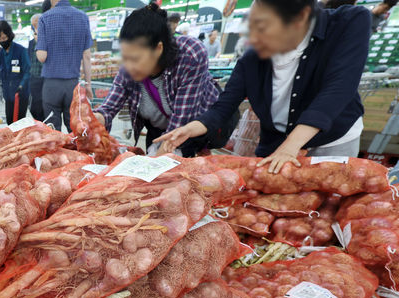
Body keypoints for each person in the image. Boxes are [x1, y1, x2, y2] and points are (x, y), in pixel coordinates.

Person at [159, 0, 371, 173]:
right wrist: (191, 128)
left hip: (332, 139)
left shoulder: (348, 23)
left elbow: (338, 88)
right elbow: (224, 107)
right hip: (276, 141)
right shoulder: (252, 58)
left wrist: (291, 146)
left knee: (329, 207)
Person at [94, 5, 228, 156]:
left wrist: (152, 167)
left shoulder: (190, 55)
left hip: (192, 126)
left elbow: (180, 124)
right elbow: (109, 107)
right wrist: (96, 119)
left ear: (158, 48)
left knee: (176, 170)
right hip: (158, 129)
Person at [36, 0, 93, 131]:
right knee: (75, 128)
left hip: (51, 85)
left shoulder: (45, 18)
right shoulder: (83, 17)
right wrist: (88, 85)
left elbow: (42, 56)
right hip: (73, 85)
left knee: (53, 129)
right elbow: (87, 56)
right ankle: (75, 151)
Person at [0, 21, 31, 124]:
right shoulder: (0, 55)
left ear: (9, 36)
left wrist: (21, 85)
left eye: (4, 38)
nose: (2, 41)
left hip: (21, 94)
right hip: (8, 94)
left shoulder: (21, 51)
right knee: (10, 121)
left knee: (20, 122)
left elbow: (28, 70)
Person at [28, 14, 44, 120]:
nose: (36, 27)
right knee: (33, 108)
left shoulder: (47, 42)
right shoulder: (30, 44)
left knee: (44, 108)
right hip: (33, 79)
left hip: (45, 80)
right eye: (34, 25)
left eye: (38, 24)